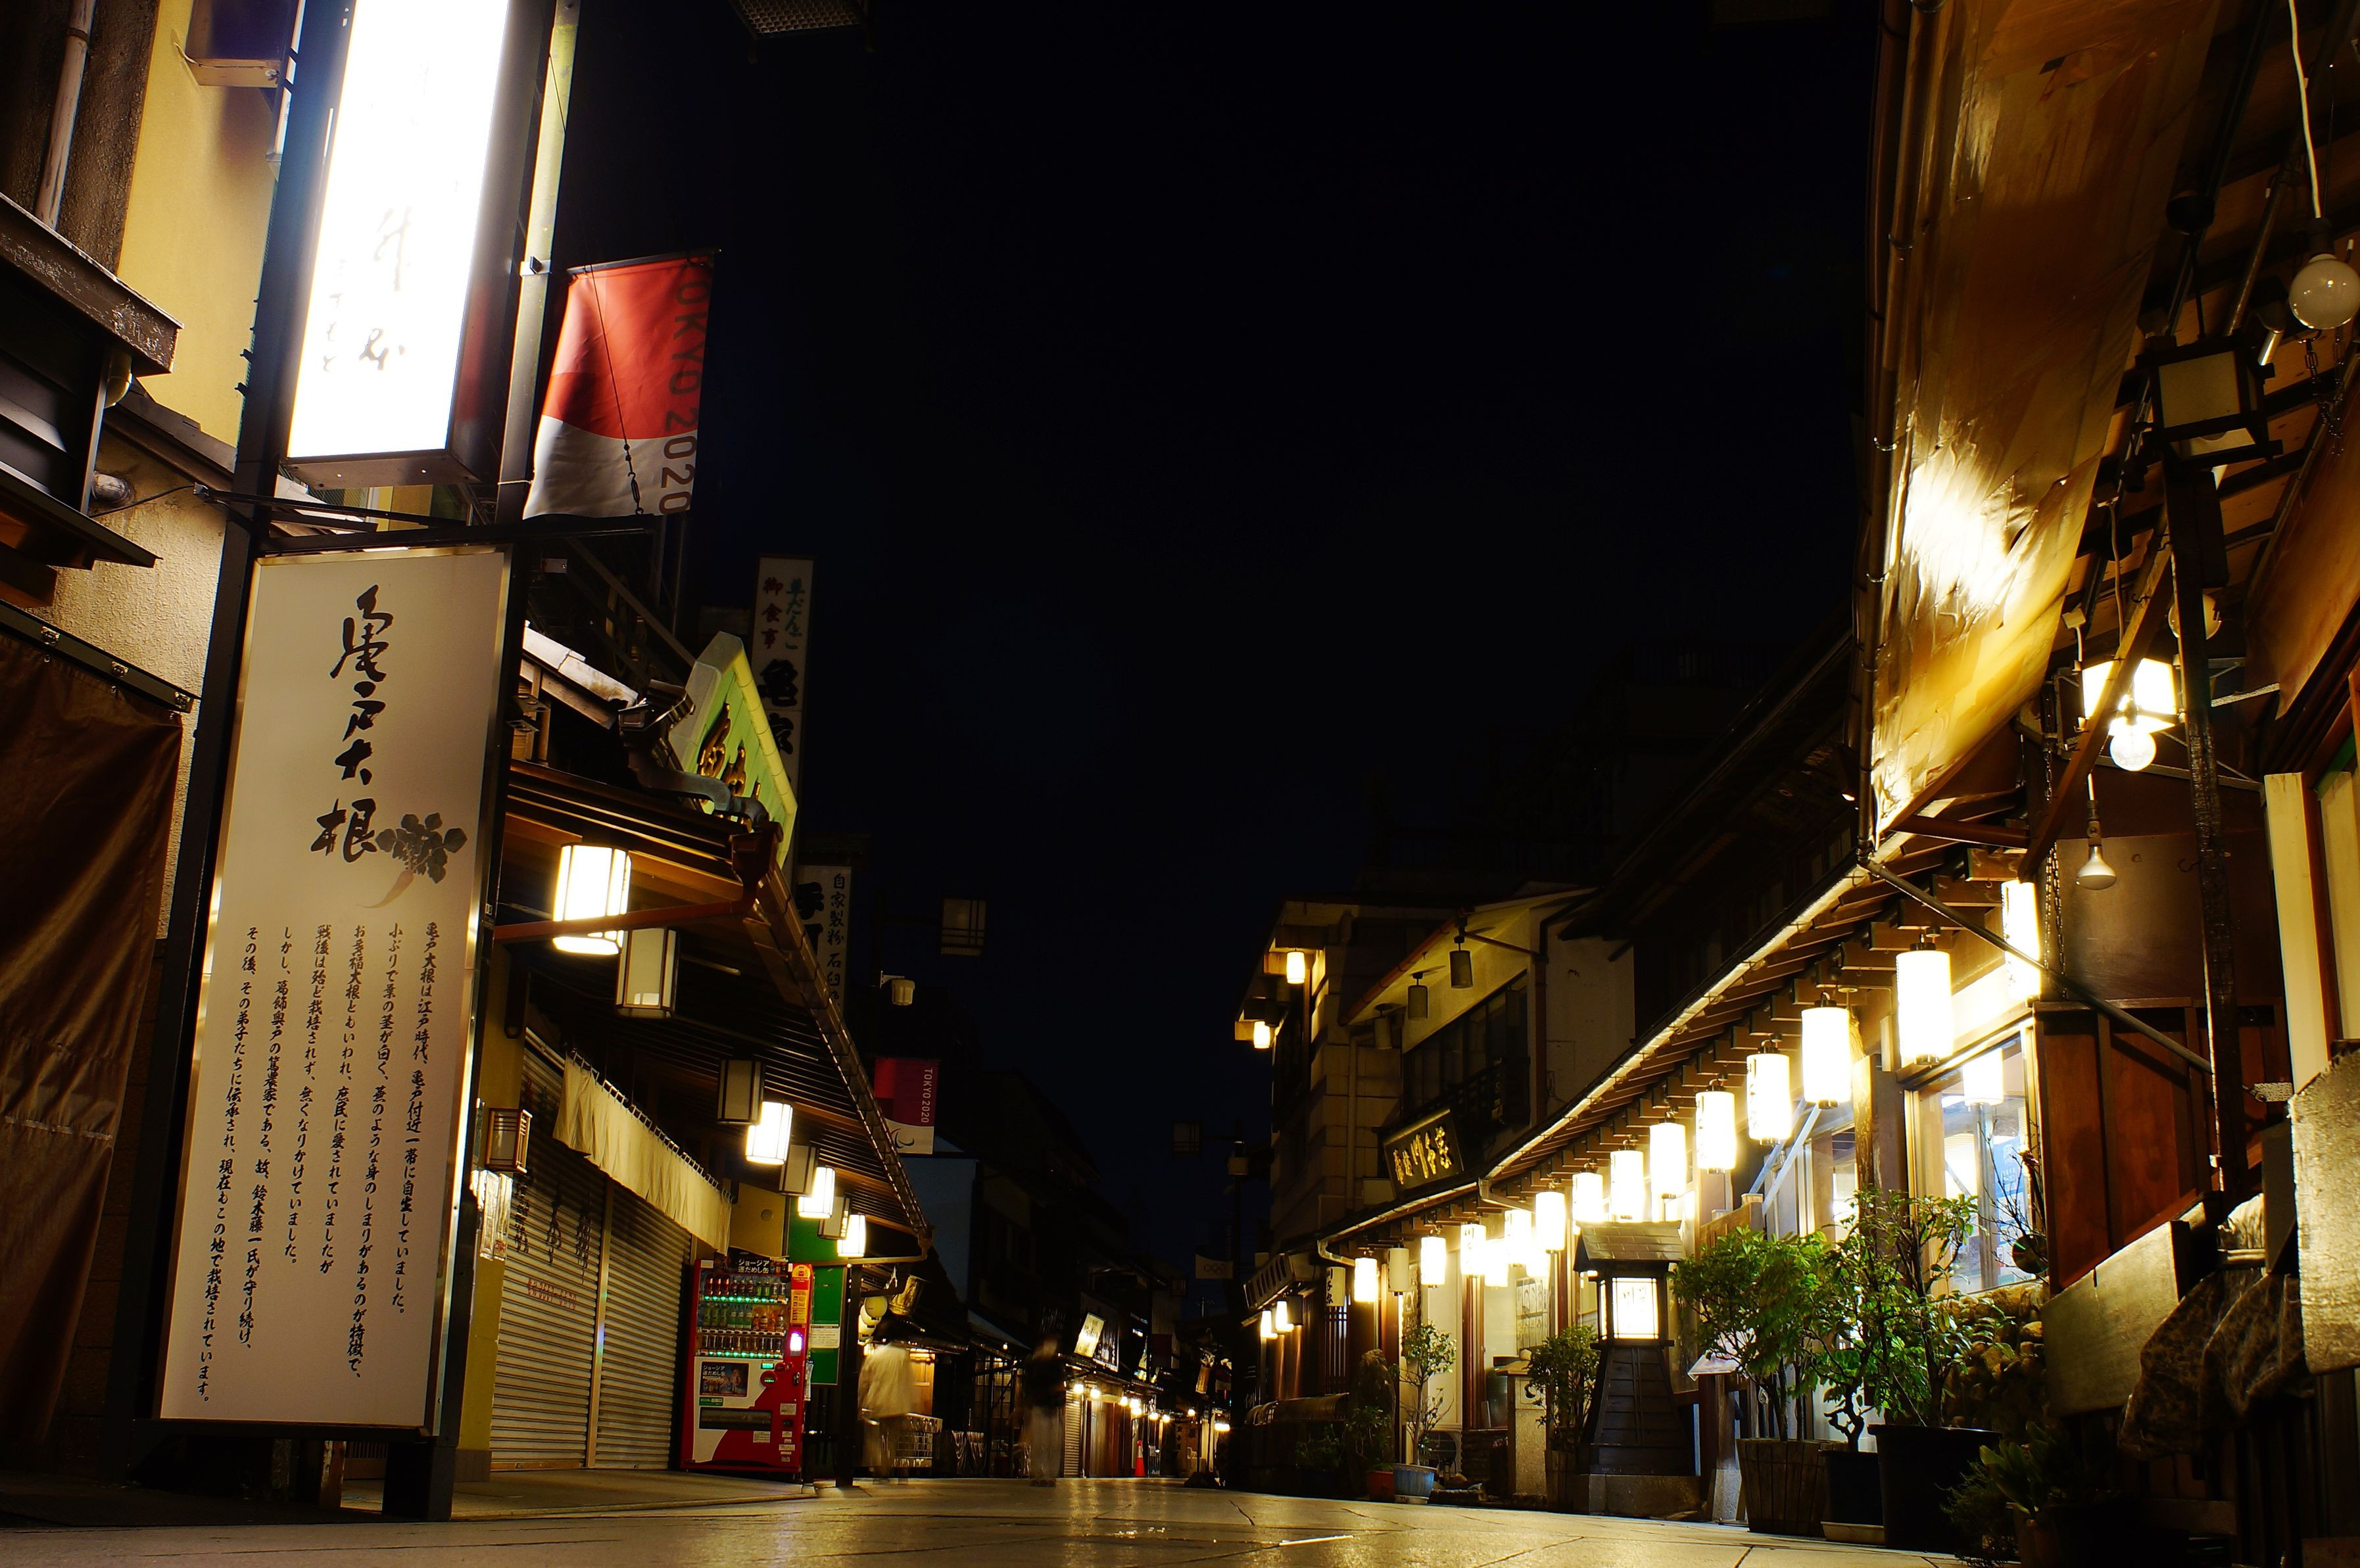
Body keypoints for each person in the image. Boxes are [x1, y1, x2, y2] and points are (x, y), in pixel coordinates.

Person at [1020, 1335, 1065, 1486]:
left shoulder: (1042, 1364)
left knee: (1047, 1443)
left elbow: (1028, 1387)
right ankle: (1044, 1474)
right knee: (1045, 1443)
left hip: (1046, 1407)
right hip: (1044, 1407)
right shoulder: (1041, 1364)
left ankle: (1044, 1475)